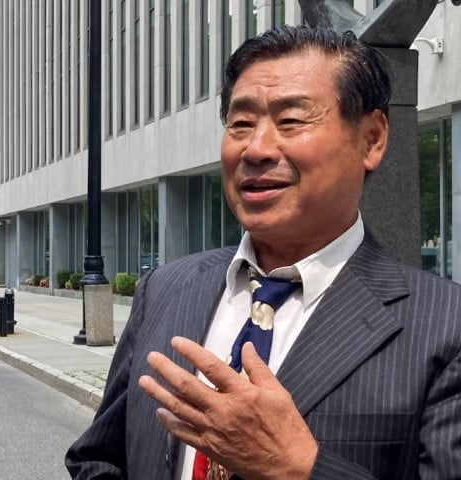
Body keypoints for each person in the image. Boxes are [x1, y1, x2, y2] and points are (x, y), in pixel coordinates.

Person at [66, 25, 461, 479]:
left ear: (371, 139)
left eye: (291, 120)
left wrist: (297, 469)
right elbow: (98, 458)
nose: (255, 148)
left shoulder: (445, 327)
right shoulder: (166, 288)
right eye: (241, 123)